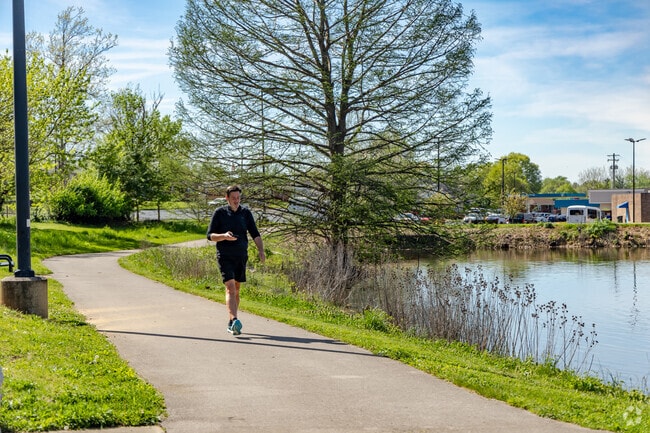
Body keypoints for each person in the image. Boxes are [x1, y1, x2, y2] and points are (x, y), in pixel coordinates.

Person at [206, 185, 265, 335]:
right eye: (233, 198)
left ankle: (231, 323)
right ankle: (235, 320)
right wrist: (224, 236)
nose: (236, 201)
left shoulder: (245, 213)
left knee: (237, 290)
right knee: (230, 288)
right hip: (225, 256)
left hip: (241, 256)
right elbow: (210, 235)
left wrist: (261, 250)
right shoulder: (219, 213)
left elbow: (255, 233)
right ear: (227, 198)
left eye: (238, 198)